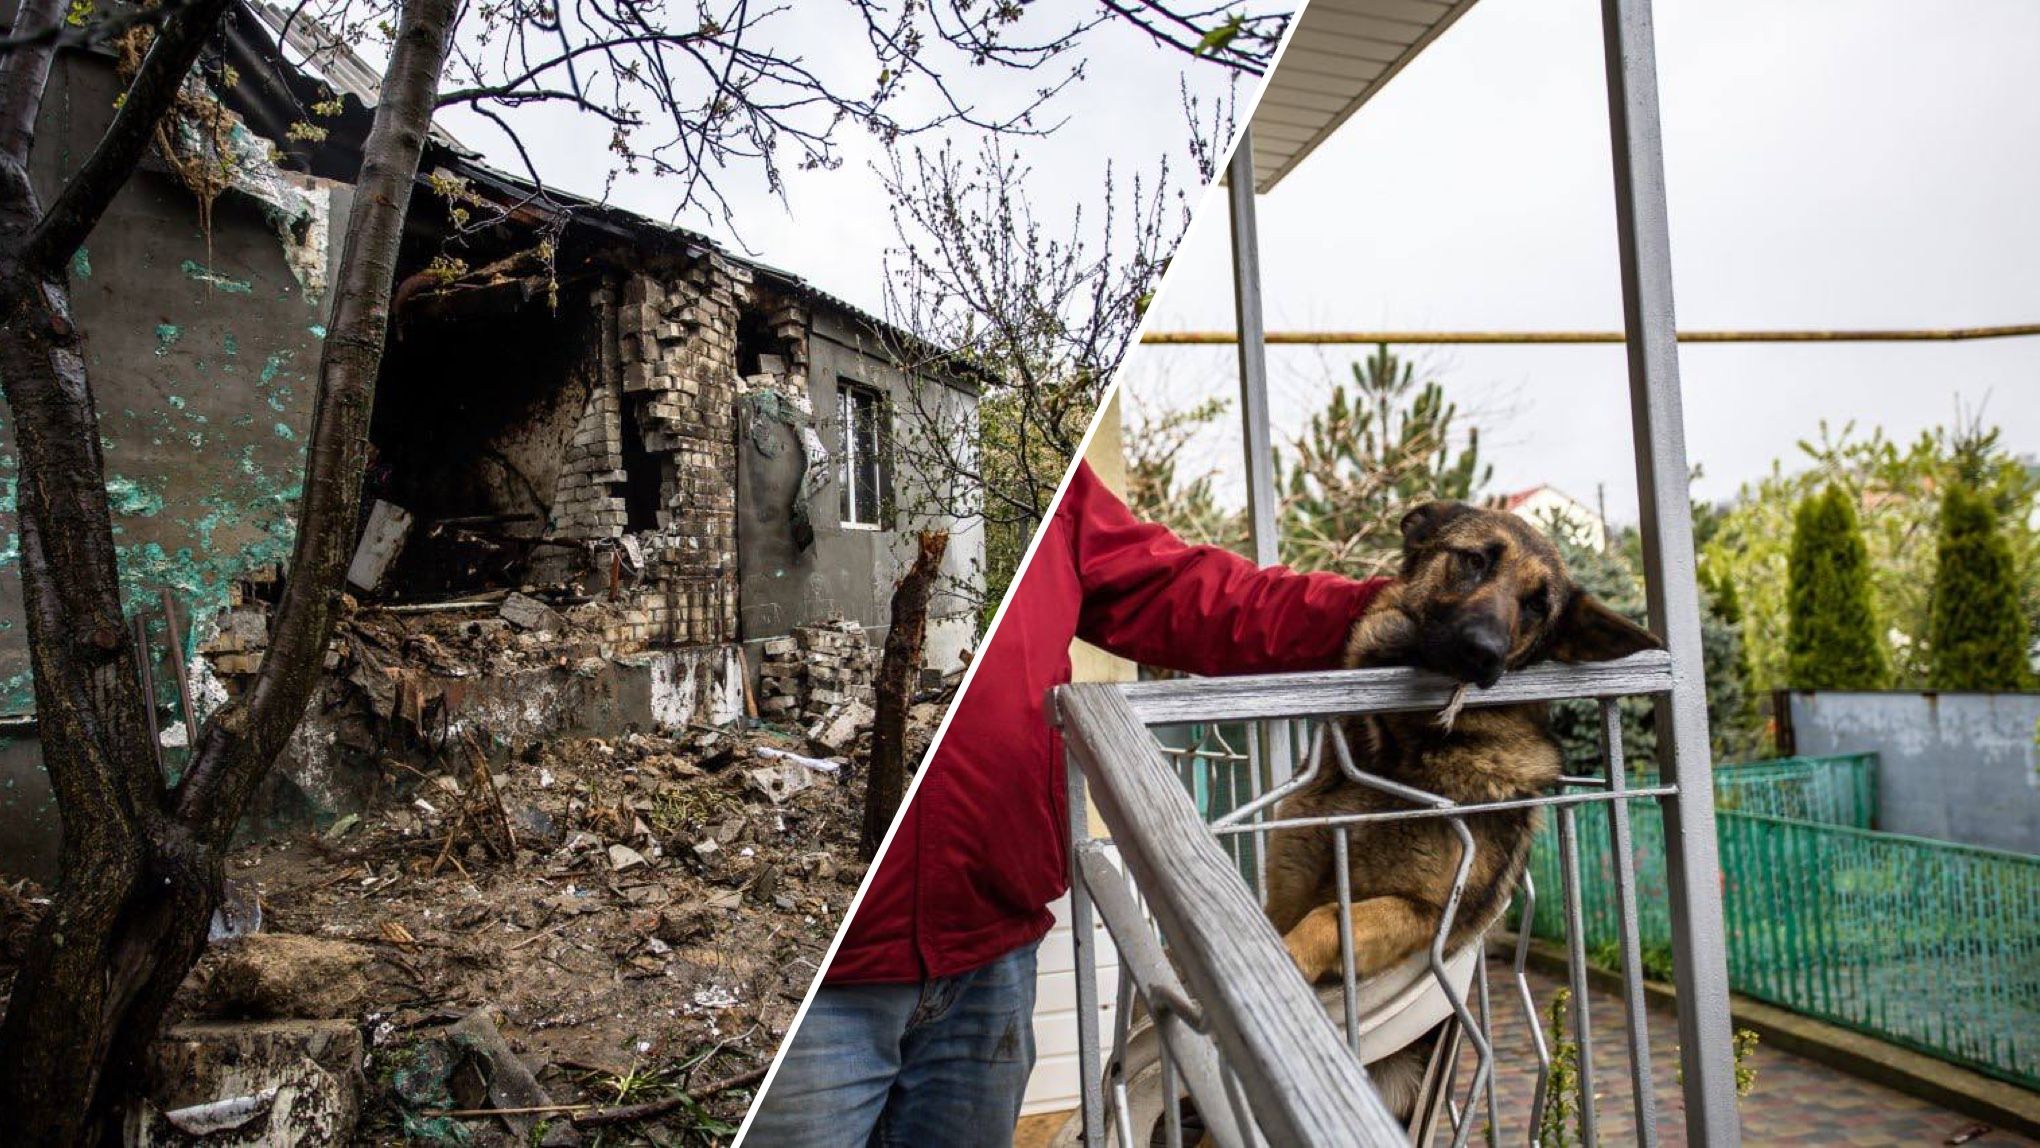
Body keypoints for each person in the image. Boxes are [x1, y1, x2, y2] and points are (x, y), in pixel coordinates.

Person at [746, 461, 1388, 1146]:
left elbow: (1181, 590)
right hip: (830, 984)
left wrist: (1373, 615)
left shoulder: (1047, 489)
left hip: (990, 947)